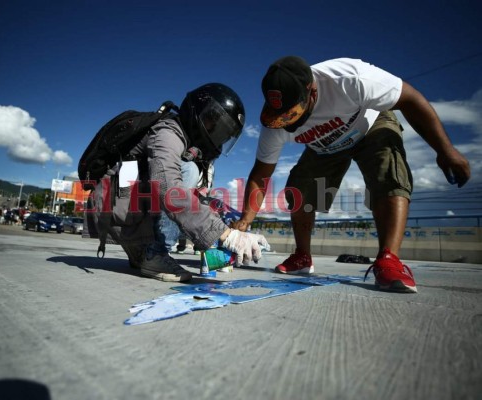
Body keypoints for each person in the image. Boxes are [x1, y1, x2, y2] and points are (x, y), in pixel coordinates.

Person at [232, 56, 470, 293]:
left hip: (369, 124)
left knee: (388, 167)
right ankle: (302, 256)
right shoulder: (276, 123)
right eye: (281, 117)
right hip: (323, 145)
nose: (288, 124)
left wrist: (445, 150)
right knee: (300, 188)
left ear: (312, 91)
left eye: (295, 115)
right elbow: (260, 174)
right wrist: (246, 220)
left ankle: (389, 259)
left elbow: (411, 99)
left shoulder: (351, 79)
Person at [85, 83, 270, 282]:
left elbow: (197, 204)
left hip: (127, 206)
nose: (216, 136)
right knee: (186, 171)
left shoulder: (193, 152)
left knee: (194, 184)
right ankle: (154, 253)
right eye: (213, 124)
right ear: (197, 112)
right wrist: (228, 235)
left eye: (223, 133)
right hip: (112, 203)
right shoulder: (168, 133)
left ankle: (143, 252)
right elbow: (168, 188)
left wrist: (217, 240)